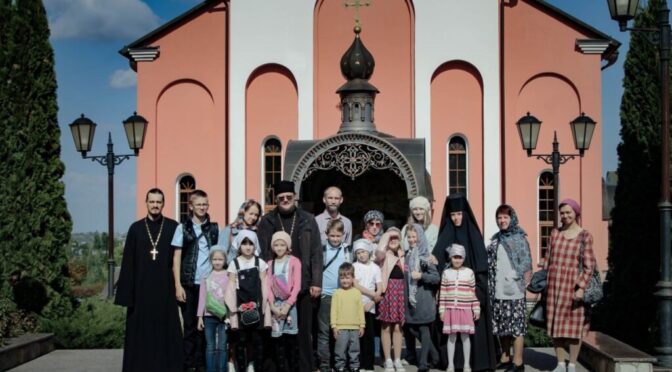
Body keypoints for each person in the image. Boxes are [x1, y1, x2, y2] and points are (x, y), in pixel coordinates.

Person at [257, 180, 323, 372]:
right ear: (276, 199)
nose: (285, 200)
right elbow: (262, 254)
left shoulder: (307, 219)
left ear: (295, 198)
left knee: (302, 332)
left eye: (289, 197)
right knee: (275, 332)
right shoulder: (267, 221)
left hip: (303, 285)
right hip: (275, 287)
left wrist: (316, 282)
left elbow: (316, 252)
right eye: (281, 198)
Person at [115, 188, 183, 372]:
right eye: (152, 201)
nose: (155, 205)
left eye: (158, 202)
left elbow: (178, 260)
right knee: (141, 334)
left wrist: (179, 286)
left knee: (165, 333)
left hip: (165, 290)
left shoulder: (173, 226)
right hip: (141, 291)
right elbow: (128, 262)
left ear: (163, 204)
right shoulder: (135, 228)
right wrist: (126, 295)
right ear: (146, 203)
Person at [430, 193, 495, 371]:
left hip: (471, 293)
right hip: (450, 296)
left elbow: (481, 266)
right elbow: (437, 261)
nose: (456, 218)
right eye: (452, 215)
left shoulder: (473, 233)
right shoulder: (446, 234)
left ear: (464, 214)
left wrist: (478, 295)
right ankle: (451, 363)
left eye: (459, 214)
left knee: (470, 332)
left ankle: (473, 363)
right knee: (451, 334)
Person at [545, 199, 596, 372]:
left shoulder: (584, 236)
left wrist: (581, 287)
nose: (565, 216)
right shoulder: (554, 233)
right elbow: (548, 260)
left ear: (576, 213)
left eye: (568, 212)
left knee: (574, 327)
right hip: (554, 284)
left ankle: (572, 364)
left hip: (573, 286)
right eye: (562, 213)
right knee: (556, 326)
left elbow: (589, 265)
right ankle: (560, 363)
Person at [172, 189, 220, 371]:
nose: (202, 207)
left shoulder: (214, 228)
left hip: (208, 285)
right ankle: (188, 364)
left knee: (205, 327)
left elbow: (219, 253)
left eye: (205, 204)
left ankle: (202, 365)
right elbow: (176, 257)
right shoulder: (182, 228)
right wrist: (177, 285)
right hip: (189, 283)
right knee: (190, 326)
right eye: (198, 204)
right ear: (190, 206)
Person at [486, 205, 532, 372]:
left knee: (516, 328)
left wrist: (515, 278)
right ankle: (505, 358)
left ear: (512, 218)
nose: (502, 220)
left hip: (514, 291)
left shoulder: (519, 238)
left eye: (505, 217)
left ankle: (518, 363)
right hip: (497, 291)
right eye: (499, 217)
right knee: (502, 327)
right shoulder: (496, 239)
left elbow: (526, 264)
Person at [227, 230, 269, 372]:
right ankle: (242, 368)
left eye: (251, 243)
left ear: (255, 245)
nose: (247, 246)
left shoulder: (260, 263)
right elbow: (231, 287)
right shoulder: (234, 263)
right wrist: (234, 309)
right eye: (244, 243)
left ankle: (256, 367)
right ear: (239, 245)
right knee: (240, 342)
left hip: (257, 308)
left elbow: (264, 286)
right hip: (240, 308)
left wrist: (264, 309)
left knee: (258, 342)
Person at [403, 224, 440, 372]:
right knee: (411, 328)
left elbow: (436, 278)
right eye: (409, 237)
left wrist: (421, 276)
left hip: (424, 299)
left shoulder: (426, 256)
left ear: (420, 237)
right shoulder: (407, 255)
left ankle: (423, 363)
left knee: (424, 329)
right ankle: (435, 355)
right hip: (411, 300)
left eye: (414, 236)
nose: (412, 240)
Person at [316, 220, 352, 372]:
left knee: (342, 332)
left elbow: (351, 271)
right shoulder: (322, 249)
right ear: (326, 234)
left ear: (343, 235)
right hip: (326, 295)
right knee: (324, 331)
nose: (335, 239)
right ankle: (324, 363)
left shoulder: (347, 250)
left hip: (342, 295)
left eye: (338, 236)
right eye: (332, 235)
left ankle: (340, 363)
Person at [439, 244, 481, 372]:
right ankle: (450, 364)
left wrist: (476, 308)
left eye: (460, 257)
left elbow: (472, 292)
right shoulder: (446, 273)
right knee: (451, 337)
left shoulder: (469, 273)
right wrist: (442, 310)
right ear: (450, 258)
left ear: (464, 258)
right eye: (454, 257)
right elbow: (443, 292)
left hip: (465, 309)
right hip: (450, 309)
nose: (457, 260)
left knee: (465, 337)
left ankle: (466, 365)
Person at [266, 231, 301, 371]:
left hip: (290, 306)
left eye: (282, 245)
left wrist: (288, 305)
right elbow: (268, 286)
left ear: (288, 247)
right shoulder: (270, 264)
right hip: (275, 306)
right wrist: (272, 305)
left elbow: (297, 285)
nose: (279, 248)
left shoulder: (294, 261)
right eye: (276, 245)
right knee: (278, 343)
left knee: (291, 342)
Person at [197, 247, 233, 372]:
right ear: (210, 260)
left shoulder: (229, 275)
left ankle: (222, 369)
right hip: (208, 316)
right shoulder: (206, 276)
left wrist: (231, 315)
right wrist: (200, 317)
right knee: (210, 346)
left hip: (224, 316)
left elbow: (231, 296)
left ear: (225, 260)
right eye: (214, 259)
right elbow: (202, 297)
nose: (217, 262)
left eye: (220, 259)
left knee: (223, 346)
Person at [375, 227, 406, 372]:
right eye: (390, 238)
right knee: (386, 326)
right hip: (387, 292)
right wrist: (387, 235)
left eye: (396, 237)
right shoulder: (383, 254)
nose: (393, 240)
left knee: (399, 327)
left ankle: (397, 359)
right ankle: (387, 359)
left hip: (400, 292)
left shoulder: (403, 254)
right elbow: (379, 252)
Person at [352, 239, 382, 372]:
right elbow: (356, 285)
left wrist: (371, 302)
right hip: (356, 305)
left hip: (370, 306)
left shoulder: (375, 268)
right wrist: (372, 293)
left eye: (363, 252)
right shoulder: (354, 266)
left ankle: (369, 365)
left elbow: (380, 288)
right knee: (357, 336)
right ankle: (359, 363)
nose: (361, 255)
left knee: (369, 335)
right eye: (358, 253)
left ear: (369, 251)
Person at [331, 262, 366, 372]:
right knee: (340, 349)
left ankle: (354, 366)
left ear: (353, 278)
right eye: (342, 278)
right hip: (341, 327)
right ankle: (340, 366)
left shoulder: (357, 293)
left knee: (354, 349)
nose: (345, 281)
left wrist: (362, 325)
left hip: (355, 327)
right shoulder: (337, 293)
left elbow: (360, 310)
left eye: (347, 277)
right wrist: (334, 326)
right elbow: (333, 311)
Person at [220, 199, 262, 264]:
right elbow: (220, 254)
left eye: (256, 215)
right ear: (243, 212)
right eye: (251, 214)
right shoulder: (229, 230)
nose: (253, 217)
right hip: (232, 271)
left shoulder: (258, 232)